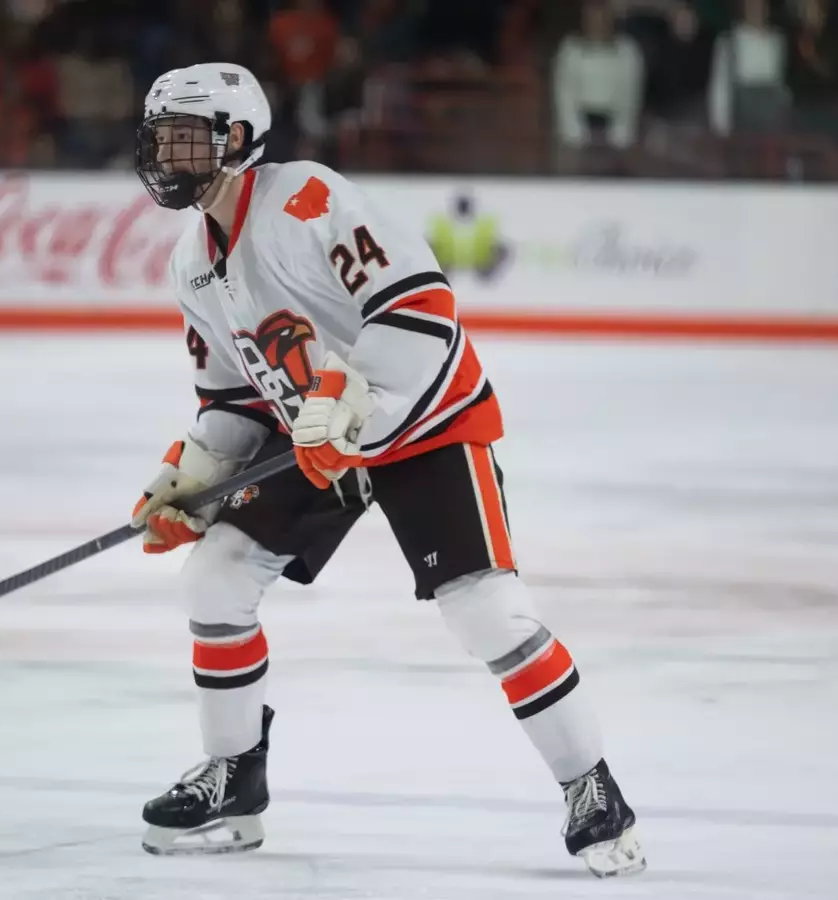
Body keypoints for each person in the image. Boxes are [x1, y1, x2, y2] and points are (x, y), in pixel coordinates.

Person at [129, 61, 644, 878]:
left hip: (423, 418)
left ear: (238, 138)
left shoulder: (307, 200)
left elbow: (423, 312)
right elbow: (233, 399)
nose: (166, 153)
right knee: (215, 576)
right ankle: (236, 779)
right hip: (313, 431)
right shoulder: (192, 260)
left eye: (186, 137)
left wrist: (354, 401)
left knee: (486, 610)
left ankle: (594, 789)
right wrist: (191, 476)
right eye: (160, 136)